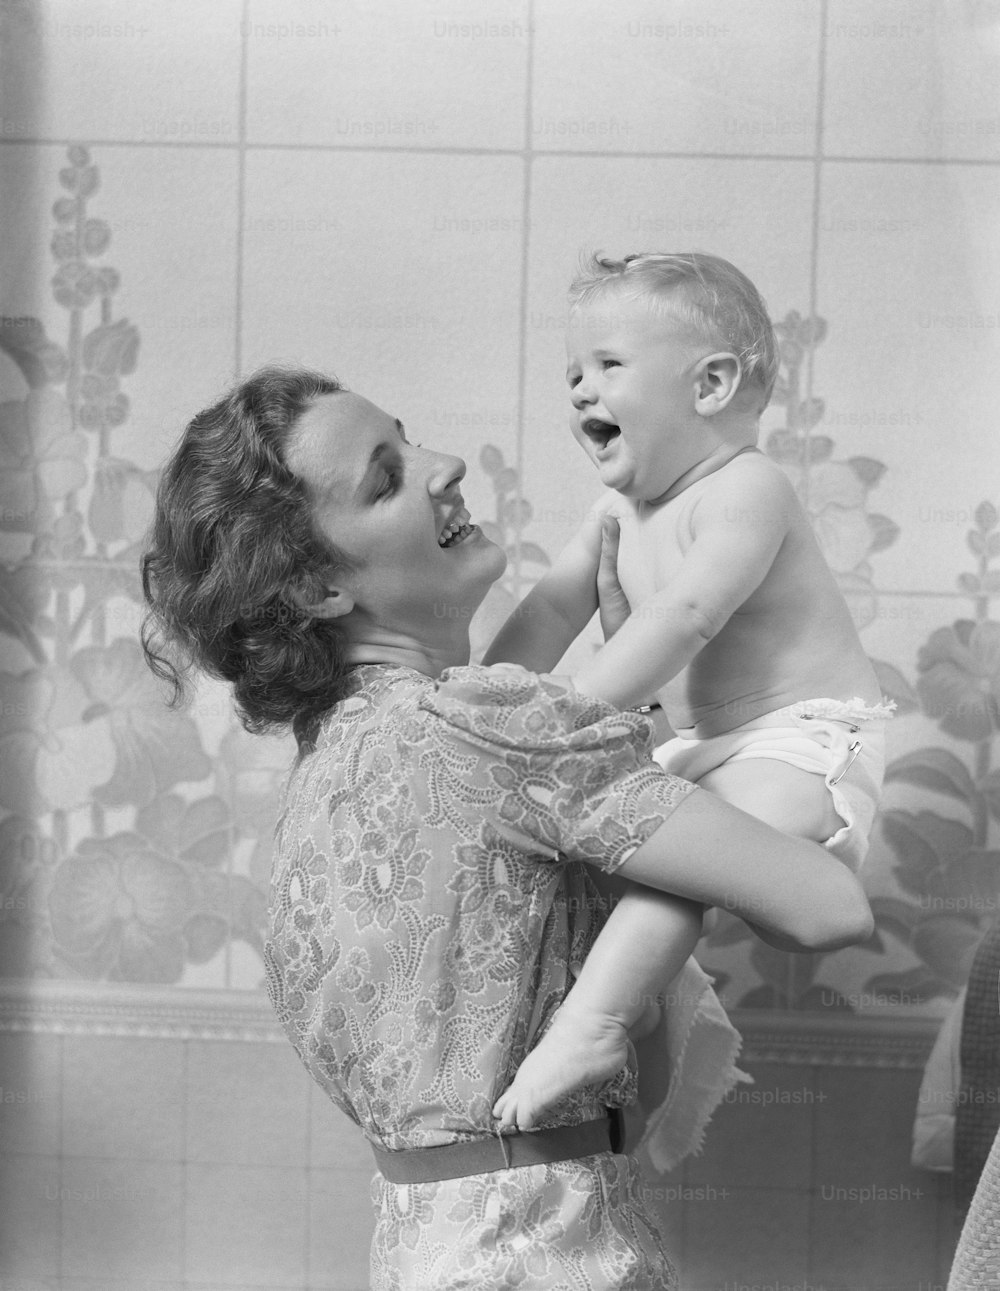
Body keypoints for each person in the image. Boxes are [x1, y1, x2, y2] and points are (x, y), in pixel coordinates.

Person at [141, 366, 873, 1291]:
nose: (443, 464)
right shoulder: (488, 729)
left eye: (410, 438)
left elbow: (606, 1088)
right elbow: (828, 906)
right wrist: (744, 745)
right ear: (320, 586)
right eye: (387, 476)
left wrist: (612, 731)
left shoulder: (319, 787)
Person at [488, 252, 890, 1131]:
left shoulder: (748, 489)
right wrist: (485, 703)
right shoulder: (617, 513)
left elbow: (687, 616)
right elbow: (552, 605)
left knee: (685, 854)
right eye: (572, 375)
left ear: (710, 384)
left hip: (805, 741)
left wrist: (562, 716)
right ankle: (632, 1024)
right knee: (618, 857)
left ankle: (593, 1024)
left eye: (608, 367)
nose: (581, 392)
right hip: (707, 743)